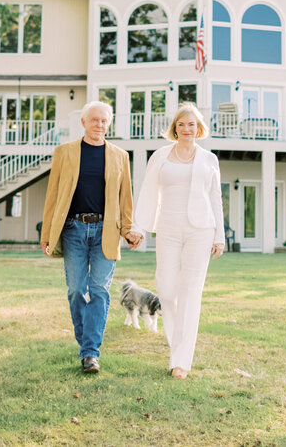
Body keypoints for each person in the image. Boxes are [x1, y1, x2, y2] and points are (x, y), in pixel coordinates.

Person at [40, 101, 142, 374]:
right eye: (94, 120)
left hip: (105, 232)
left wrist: (128, 230)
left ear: (109, 124)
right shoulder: (64, 153)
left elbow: (125, 200)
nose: (99, 125)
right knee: (76, 290)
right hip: (73, 229)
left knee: (99, 290)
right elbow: (52, 195)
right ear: (83, 123)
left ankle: (89, 352)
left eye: (104, 121)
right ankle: (87, 343)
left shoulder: (120, 156)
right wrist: (47, 232)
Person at [132, 103, 225, 379]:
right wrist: (139, 227)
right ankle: (177, 345)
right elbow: (147, 191)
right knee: (168, 291)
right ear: (175, 128)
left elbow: (215, 198)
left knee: (191, 292)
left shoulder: (209, 159)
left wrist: (218, 235)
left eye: (192, 125)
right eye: (181, 124)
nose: (186, 129)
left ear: (199, 129)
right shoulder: (160, 156)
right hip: (168, 228)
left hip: (201, 230)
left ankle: (181, 361)